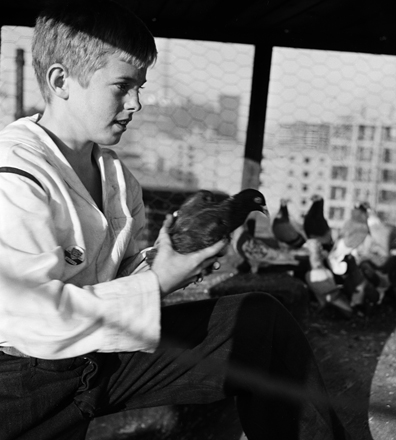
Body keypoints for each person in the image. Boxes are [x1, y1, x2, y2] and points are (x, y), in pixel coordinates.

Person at [0, 1, 351, 439]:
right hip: (22, 383)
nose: (137, 103)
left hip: (103, 353)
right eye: (122, 86)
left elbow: (122, 272)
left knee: (260, 323)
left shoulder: (115, 176)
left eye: (140, 86)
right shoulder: (15, 176)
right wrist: (157, 281)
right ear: (60, 80)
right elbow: (31, 321)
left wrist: (167, 261)